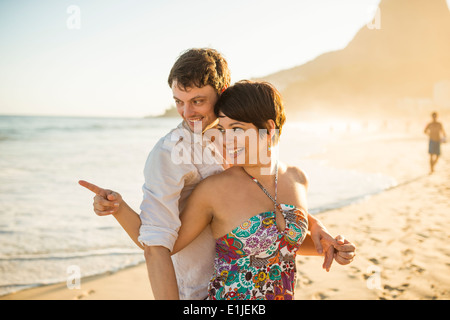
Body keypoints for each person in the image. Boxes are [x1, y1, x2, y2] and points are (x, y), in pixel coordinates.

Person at [79, 48, 354, 300]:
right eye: (179, 102)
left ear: (221, 92)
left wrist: (318, 230)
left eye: (197, 101)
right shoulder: (169, 154)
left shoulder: (244, 146)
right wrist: (119, 208)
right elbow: (157, 244)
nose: (188, 113)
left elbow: (268, 205)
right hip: (199, 291)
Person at [169, 80, 355, 299]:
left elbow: (283, 244)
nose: (226, 140)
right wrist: (120, 208)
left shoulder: (297, 179)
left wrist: (329, 246)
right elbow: (163, 244)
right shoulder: (214, 189)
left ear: (268, 129)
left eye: (236, 129)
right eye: (221, 129)